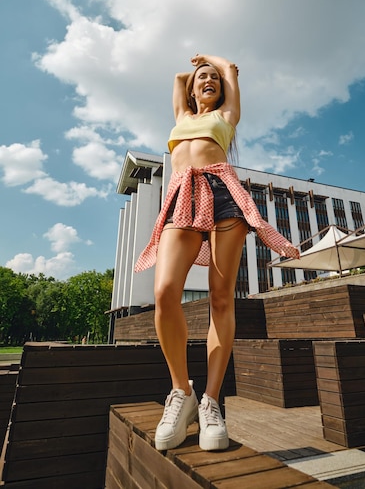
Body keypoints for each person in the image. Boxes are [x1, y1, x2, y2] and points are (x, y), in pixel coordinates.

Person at [134, 54, 299, 452]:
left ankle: (210, 401)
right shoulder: (180, 114)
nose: (208, 79)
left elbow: (227, 72)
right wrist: (197, 69)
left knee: (221, 298)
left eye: (213, 79)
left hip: (223, 194)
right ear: (191, 89)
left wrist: (216, 63)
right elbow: (177, 76)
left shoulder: (226, 114)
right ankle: (181, 392)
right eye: (201, 78)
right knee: (164, 293)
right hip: (181, 195)